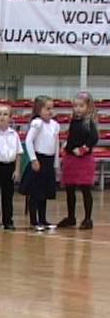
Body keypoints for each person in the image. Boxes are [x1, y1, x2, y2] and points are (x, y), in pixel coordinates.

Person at [57, 91, 99, 230]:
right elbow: (72, 138)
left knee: (85, 189)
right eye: (76, 106)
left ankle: (88, 218)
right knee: (69, 189)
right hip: (71, 159)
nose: (78, 109)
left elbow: (93, 138)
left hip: (84, 160)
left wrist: (83, 148)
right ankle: (71, 217)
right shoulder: (73, 122)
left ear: (88, 107)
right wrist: (67, 146)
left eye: (81, 106)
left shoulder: (89, 123)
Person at [20, 95, 60, 231]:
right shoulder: (37, 123)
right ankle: (34, 221)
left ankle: (43, 219)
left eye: (52, 108)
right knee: (35, 192)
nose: (50, 111)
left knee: (44, 193)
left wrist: (56, 164)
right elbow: (28, 141)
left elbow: (56, 145)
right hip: (39, 160)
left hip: (49, 161)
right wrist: (33, 159)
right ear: (39, 110)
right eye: (47, 108)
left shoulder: (55, 125)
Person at [0, 104, 22, 231]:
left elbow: (18, 153)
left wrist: (17, 170)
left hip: (9, 167)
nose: (2, 117)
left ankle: (8, 221)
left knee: (8, 197)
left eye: (5, 114)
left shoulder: (14, 134)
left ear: (11, 118)